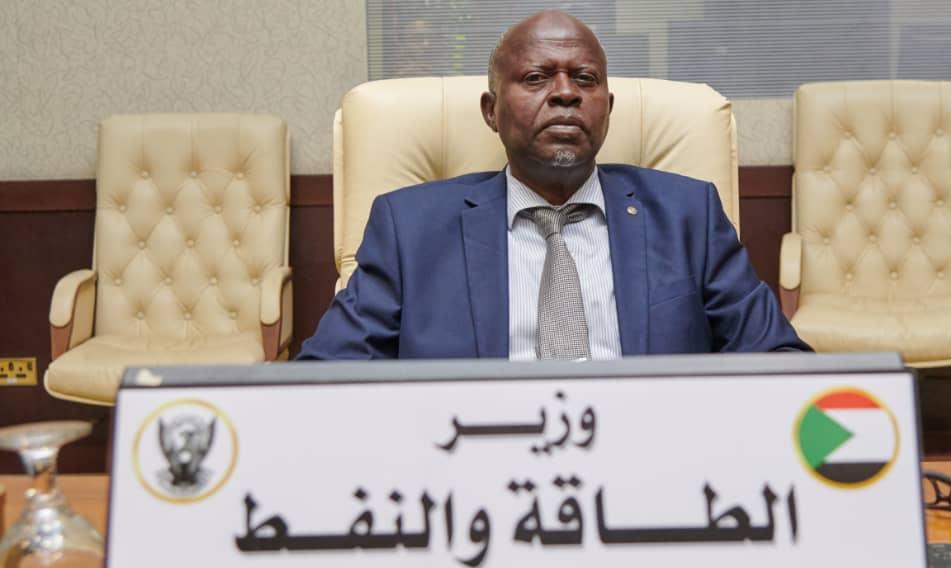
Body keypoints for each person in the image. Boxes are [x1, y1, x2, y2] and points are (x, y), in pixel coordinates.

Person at [297, 10, 809, 360]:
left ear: (607, 109)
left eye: (585, 79)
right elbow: (325, 380)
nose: (565, 93)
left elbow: (779, 362)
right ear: (491, 112)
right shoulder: (410, 229)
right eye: (536, 78)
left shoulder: (688, 215)